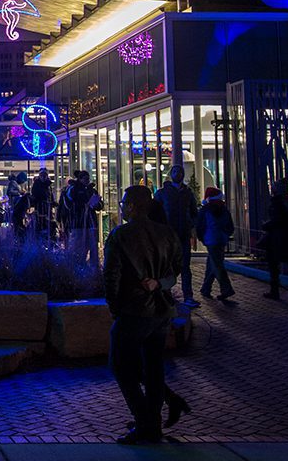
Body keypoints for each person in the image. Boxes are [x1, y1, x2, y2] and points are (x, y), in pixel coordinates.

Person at [103, 185, 187, 445]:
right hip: (161, 310)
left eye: (124, 201)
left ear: (132, 206)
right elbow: (176, 270)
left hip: (134, 310)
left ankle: (146, 422)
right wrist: (159, 285)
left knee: (121, 365)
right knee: (152, 368)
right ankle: (156, 418)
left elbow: (111, 277)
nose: (121, 206)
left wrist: (116, 307)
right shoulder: (167, 233)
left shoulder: (121, 235)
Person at [155, 165, 200, 307]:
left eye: (180, 171)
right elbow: (154, 212)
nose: (178, 174)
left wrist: (191, 224)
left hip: (183, 234)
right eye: (175, 171)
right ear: (171, 174)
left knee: (185, 266)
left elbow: (194, 212)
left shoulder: (188, 193)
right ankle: (165, 295)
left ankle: (188, 296)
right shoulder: (163, 193)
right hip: (168, 236)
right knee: (166, 266)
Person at [194, 187, 236, 301]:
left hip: (210, 239)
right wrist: (226, 235)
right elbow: (230, 226)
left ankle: (225, 289)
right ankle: (206, 288)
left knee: (216, 264)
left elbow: (199, 226)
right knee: (214, 262)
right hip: (221, 239)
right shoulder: (223, 209)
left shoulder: (205, 210)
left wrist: (202, 237)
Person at [59, 171, 104, 267]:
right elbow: (69, 203)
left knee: (92, 245)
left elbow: (100, 204)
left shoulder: (92, 190)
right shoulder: (74, 189)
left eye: (88, 179)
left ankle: (93, 265)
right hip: (79, 222)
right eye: (85, 179)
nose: (87, 181)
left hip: (91, 222)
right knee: (78, 245)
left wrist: (96, 205)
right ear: (80, 179)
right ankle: (77, 264)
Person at [31, 168, 54, 236]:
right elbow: (35, 196)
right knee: (40, 223)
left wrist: (52, 202)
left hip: (48, 208)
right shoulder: (36, 184)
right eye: (42, 175)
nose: (43, 177)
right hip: (40, 208)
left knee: (48, 224)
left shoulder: (48, 184)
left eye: (45, 175)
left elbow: (50, 195)